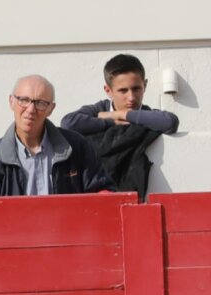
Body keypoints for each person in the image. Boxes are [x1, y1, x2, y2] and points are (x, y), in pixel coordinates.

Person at [60, 54, 179, 200]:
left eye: (136, 89)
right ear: (108, 90)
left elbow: (170, 122)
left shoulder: (146, 115)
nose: (131, 97)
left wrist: (121, 114)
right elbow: (68, 123)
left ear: (145, 85)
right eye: (123, 91)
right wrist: (111, 122)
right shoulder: (98, 109)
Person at [0, 75, 112, 196]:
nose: (31, 109)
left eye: (40, 103)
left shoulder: (76, 148)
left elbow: (101, 193)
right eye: (24, 100)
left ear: (51, 108)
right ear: (11, 101)